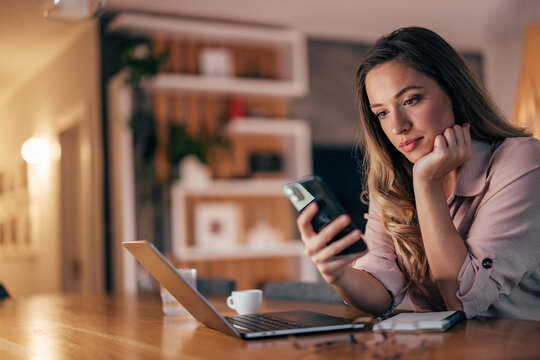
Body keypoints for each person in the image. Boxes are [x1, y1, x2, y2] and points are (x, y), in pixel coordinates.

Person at [297, 26, 540, 320]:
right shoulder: (393, 177)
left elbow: (461, 302)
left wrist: (426, 182)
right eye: (382, 113)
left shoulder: (521, 159)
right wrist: (337, 274)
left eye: (410, 100)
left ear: (454, 91)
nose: (397, 126)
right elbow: (379, 290)